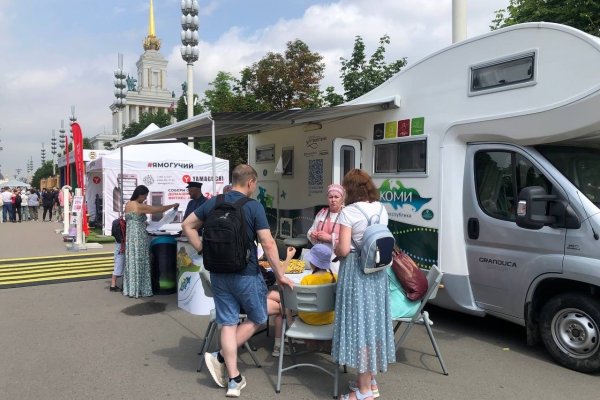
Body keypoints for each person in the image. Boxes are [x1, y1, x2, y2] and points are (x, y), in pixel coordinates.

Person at [182, 164, 294, 398]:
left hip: (218, 273)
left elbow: (187, 225)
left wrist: (202, 248)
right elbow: (268, 243)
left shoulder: (213, 202)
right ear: (251, 182)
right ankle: (219, 356)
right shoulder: (253, 206)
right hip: (246, 273)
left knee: (228, 322)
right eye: (255, 184)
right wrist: (280, 274)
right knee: (259, 316)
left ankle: (233, 380)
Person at [333, 169, 394, 400]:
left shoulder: (349, 212)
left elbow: (344, 248)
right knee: (372, 325)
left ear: (348, 189)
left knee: (359, 327)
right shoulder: (381, 208)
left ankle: (364, 392)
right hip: (378, 275)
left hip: (356, 274)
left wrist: (337, 247)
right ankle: (369, 380)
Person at [122, 185, 178, 298]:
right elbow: (158, 209)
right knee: (141, 261)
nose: (145, 199)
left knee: (132, 262)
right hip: (139, 237)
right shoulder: (139, 206)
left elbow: (133, 219)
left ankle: (132, 289)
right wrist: (173, 205)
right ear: (140, 195)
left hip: (131, 237)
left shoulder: (128, 204)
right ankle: (142, 289)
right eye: (145, 196)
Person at [307, 183, 345, 273]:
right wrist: (313, 234)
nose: (333, 200)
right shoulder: (322, 213)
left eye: (336, 197)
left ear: (342, 198)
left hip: (337, 259)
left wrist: (330, 238)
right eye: (330, 197)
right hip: (320, 259)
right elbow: (311, 230)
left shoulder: (346, 214)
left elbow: (349, 240)